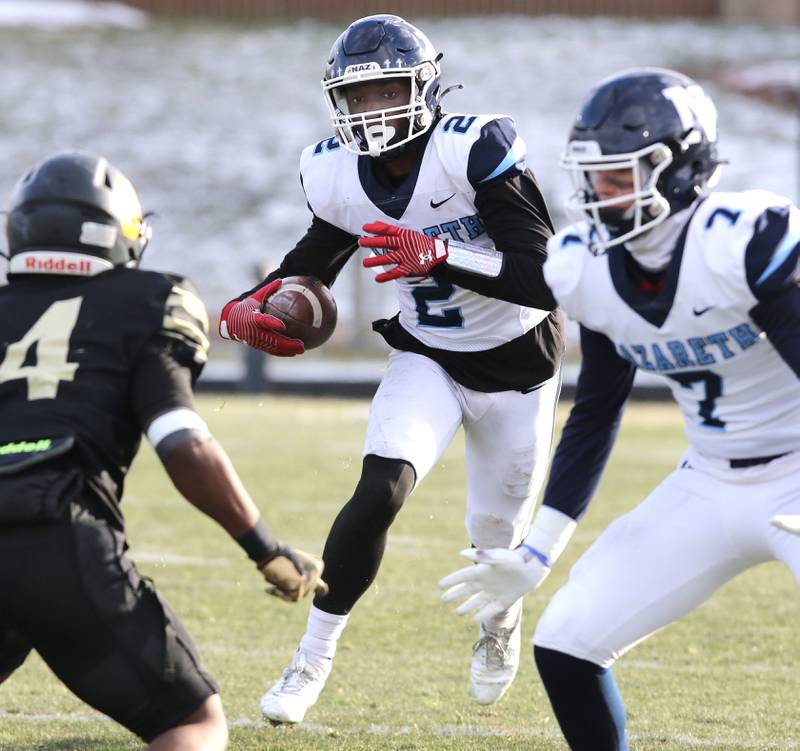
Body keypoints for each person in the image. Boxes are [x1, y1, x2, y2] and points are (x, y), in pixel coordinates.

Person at [438, 66, 800, 750]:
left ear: (682, 168)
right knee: (568, 640)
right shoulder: (587, 266)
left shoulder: (741, 240)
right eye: (592, 177)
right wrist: (538, 550)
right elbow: (598, 410)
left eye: (618, 176)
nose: (597, 195)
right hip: (712, 478)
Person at [219, 14, 563, 723]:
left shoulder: (476, 149)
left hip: (517, 363)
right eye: (361, 97)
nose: (374, 112)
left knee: (496, 540)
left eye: (387, 92)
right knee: (381, 486)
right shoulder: (333, 170)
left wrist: (442, 254)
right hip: (427, 353)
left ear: (423, 85)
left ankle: (499, 625)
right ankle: (311, 659)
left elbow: (546, 275)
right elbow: (315, 255)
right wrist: (245, 308)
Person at [0, 151, 328, 751]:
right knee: (191, 722)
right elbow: (182, 443)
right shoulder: (148, 299)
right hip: (60, 529)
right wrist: (265, 548)